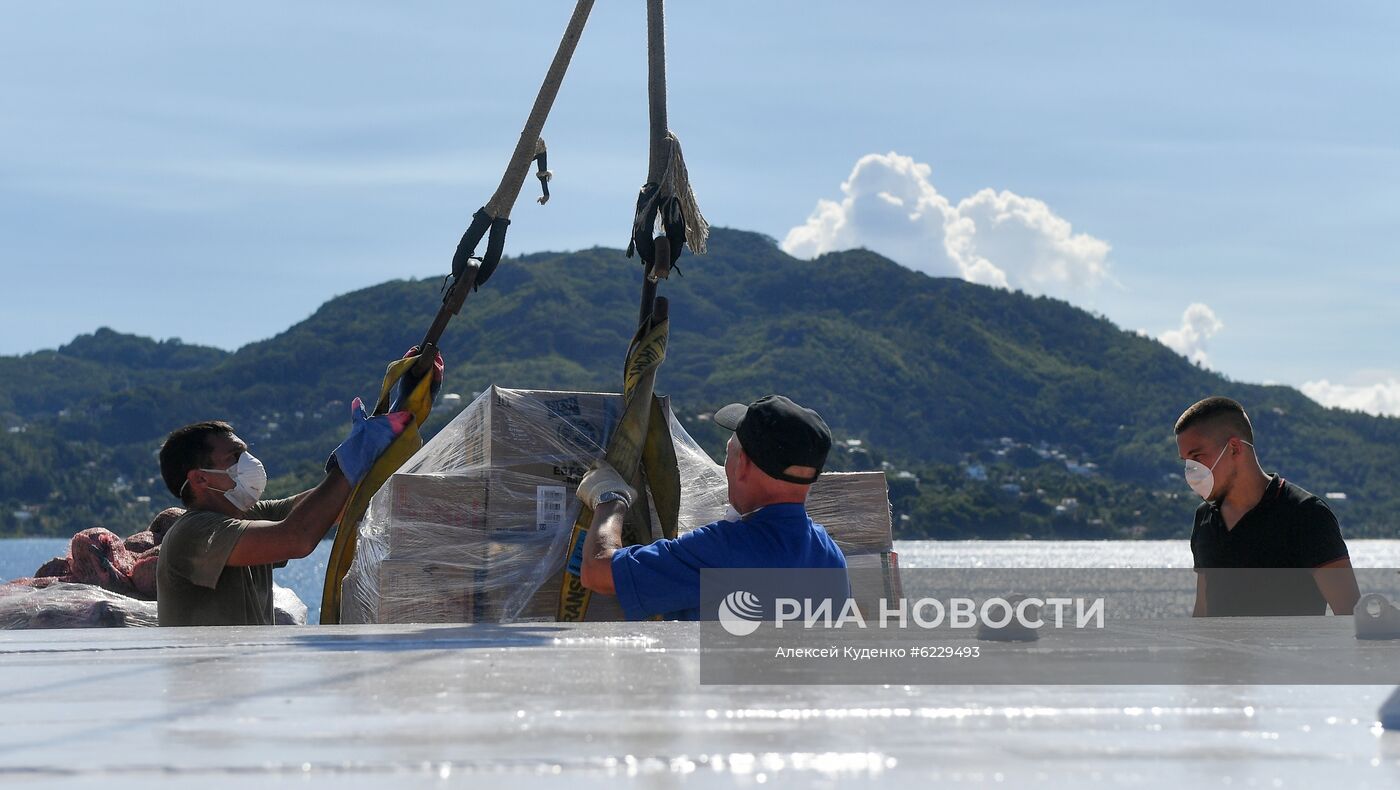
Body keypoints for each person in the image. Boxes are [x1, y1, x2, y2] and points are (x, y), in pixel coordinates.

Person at [156, 383, 429, 626]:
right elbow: (297, 537)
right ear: (201, 478)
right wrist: (354, 455)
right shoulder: (192, 533)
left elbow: (335, 507)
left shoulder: (248, 515)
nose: (250, 461)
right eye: (235, 456)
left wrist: (404, 407)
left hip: (242, 679)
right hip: (207, 682)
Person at [575, 394, 848, 620]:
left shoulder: (725, 549)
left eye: (729, 453)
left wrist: (610, 500)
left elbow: (598, 572)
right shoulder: (831, 557)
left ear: (742, 465)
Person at [1175, 396, 1360, 617]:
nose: (1191, 470)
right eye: (1186, 461)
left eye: (1197, 457)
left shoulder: (1307, 514)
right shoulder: (1204, 517)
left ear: (1234, 448)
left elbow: (1351, 616)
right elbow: (1203, 612)